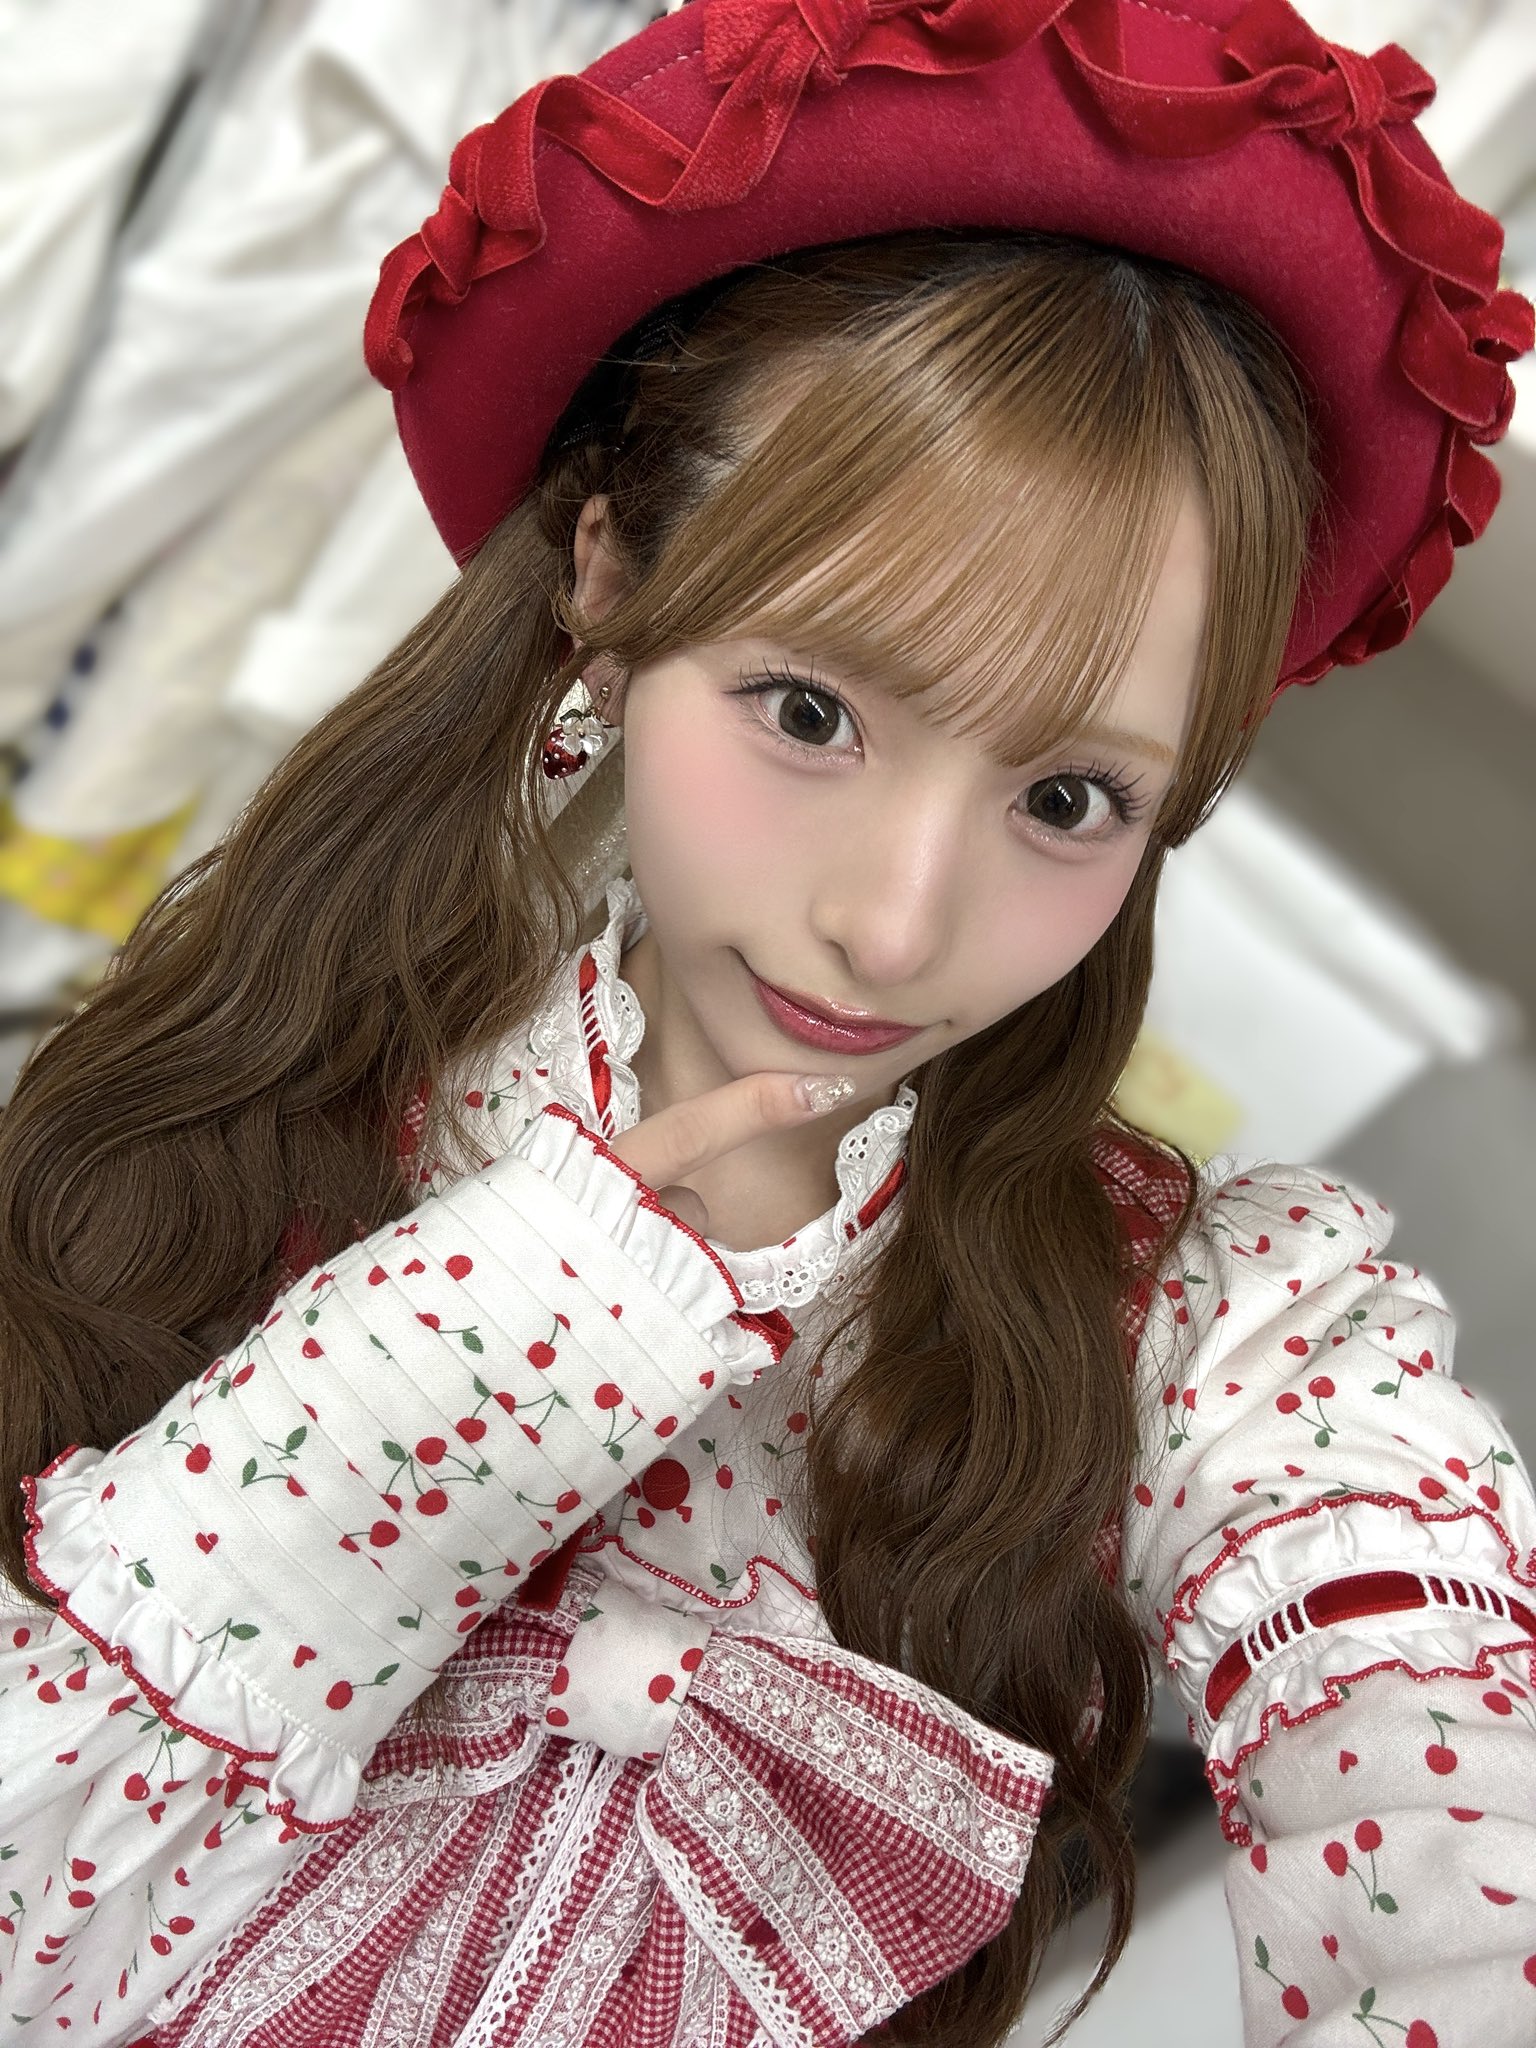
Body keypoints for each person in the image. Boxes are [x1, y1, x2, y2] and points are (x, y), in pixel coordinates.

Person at [0, 2, 1533, 2043]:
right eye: (810, 711)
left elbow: (1441, 1782)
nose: (893, 926)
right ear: (608, 580)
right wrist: (457, 1365)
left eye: (1069, 798)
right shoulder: (273, 1082)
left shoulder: (1204, 1341)